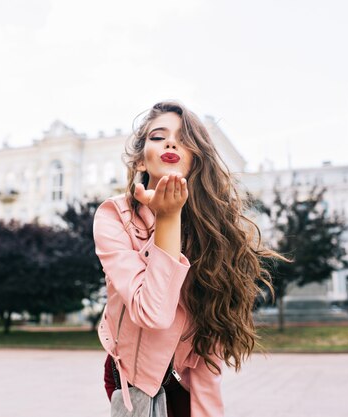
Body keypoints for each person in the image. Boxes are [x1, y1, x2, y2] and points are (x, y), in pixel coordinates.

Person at [94, 101, 284, 417]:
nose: (171, 142)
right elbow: (152, 313)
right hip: (132, 378)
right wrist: (168, 218)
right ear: (141, 161)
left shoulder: (214, 230)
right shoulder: (115, 216)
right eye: (158, 136)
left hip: (187, 379)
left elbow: (210, 339)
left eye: (184, 139)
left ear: (195, 160)